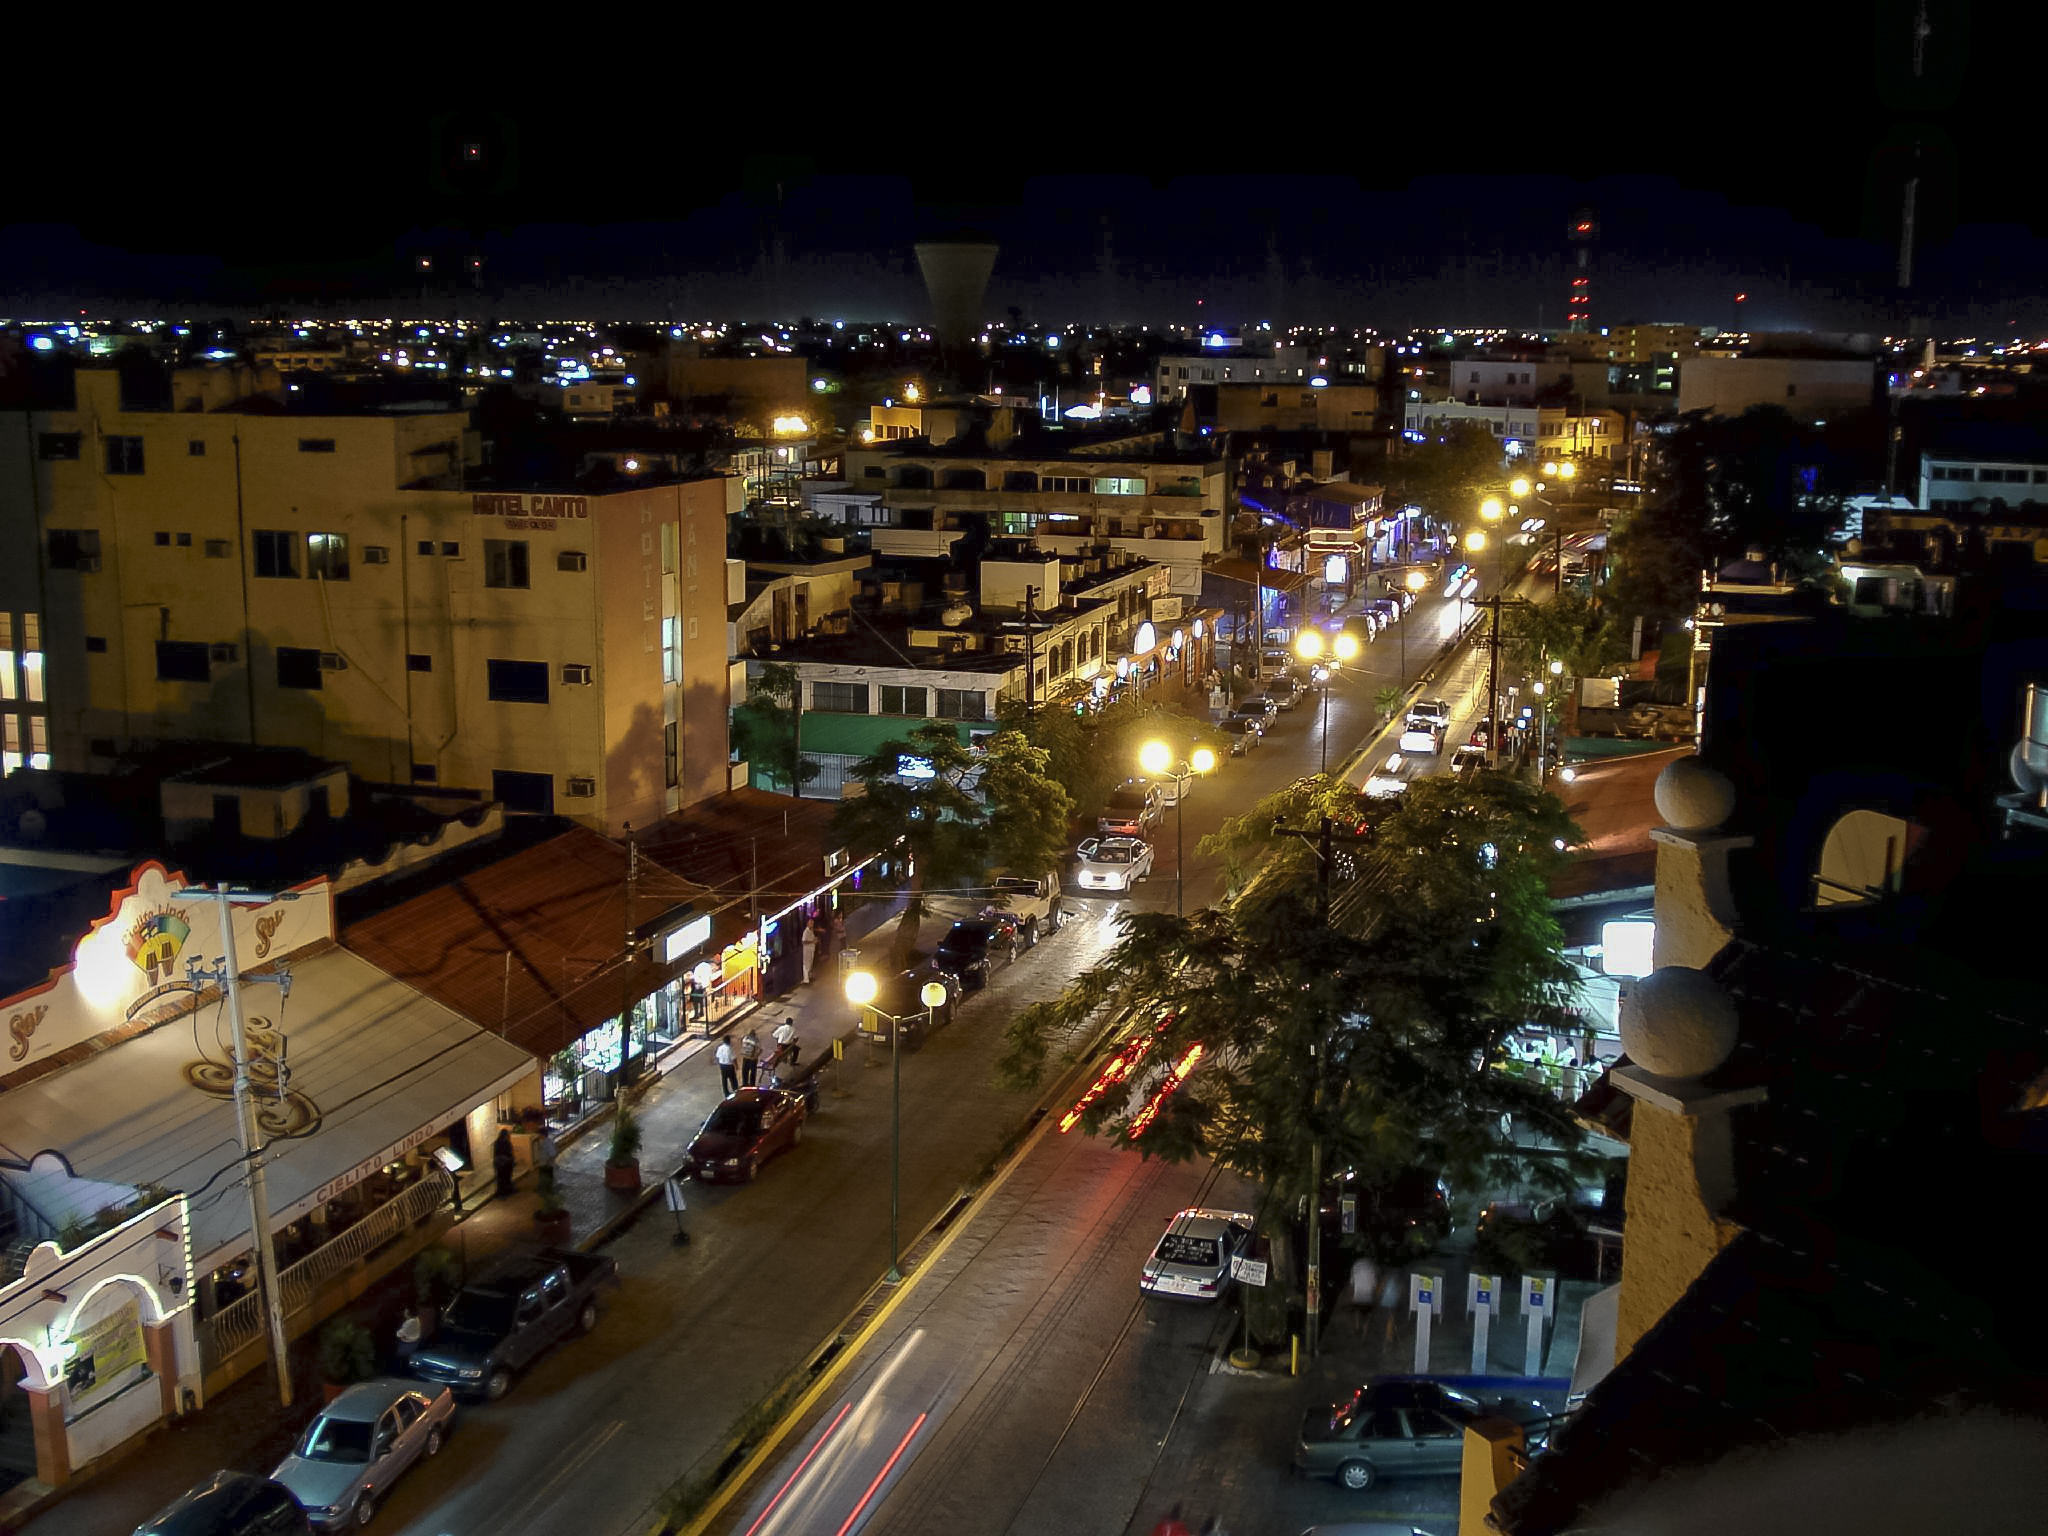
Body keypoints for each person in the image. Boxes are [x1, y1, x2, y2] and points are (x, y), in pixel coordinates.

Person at [531, 1126, 559, 1198]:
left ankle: (548, 1191)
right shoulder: (543, 1141)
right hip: (544, 1163)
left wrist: (548, 1161)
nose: (538, 1136)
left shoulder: (547, 1142)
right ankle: (544, 1189)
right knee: (543, 1177)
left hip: (547, 1164)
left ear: (542, 1135)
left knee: (547, 1177)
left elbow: (553, 1153)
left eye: (539, 1134)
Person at [491, 1128, 517, 1199]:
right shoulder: (506, 1143)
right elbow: (509, 1153)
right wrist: (511, 1160)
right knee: (505, 1177)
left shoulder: (497, 1143)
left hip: (500, 1163)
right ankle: (505, 1191)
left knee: (501, 1177)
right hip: (504, 1163)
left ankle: (503, 1191)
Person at [801, 920, 819, 984]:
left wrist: (815, 940)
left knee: (810, 964)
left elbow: (812, 939)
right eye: (811, 923)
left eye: (813, 923)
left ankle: (809, 977)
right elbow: (804, 941)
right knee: (806, 964)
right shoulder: (806, 932)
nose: (812, 924)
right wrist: (813, 942)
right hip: (807, 950)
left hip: (811, 949)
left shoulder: (811, 931)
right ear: (807, 924)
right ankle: (806, 979)